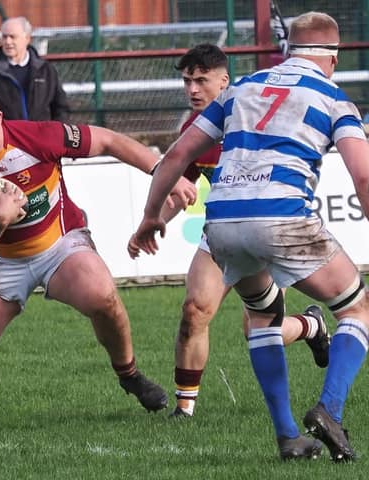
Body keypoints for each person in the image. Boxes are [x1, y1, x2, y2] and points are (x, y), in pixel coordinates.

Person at [131, 12, 369, 462]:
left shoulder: (242, 88)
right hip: (280, 217)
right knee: (358, 308)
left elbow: (178, 153)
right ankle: (330, 411)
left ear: (288, 51)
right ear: (332, 59)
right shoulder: (335, 98)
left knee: (261, 317)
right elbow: (364, 175)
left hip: (222, 222)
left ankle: (288, 437)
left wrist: (148, 217)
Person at [0, 80, 196, 433]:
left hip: (60, 243)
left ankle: (129, 374)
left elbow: (108, 140)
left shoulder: (37, 137)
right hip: (1, 260)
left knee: (103, 297)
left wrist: (164, 173)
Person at [128, 44, 330, 420]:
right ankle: (184, 409)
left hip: (268, 227)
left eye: (201, 80)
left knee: (257, 332)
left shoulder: (255, 116)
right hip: (221, 232)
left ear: (225, 81)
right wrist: (154, 222)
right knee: (194, 310)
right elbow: (181, 188)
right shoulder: (194, 127)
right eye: (187, 81)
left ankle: (310, 326)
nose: (192, 89)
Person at [0, 16, 69, 122]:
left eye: (12, 37)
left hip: (41, 136)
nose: (8, 41)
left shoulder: (46, 70)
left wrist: (55, 133)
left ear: (27, 39)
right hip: (8, 136)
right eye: (4, 37)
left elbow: (60, 107)